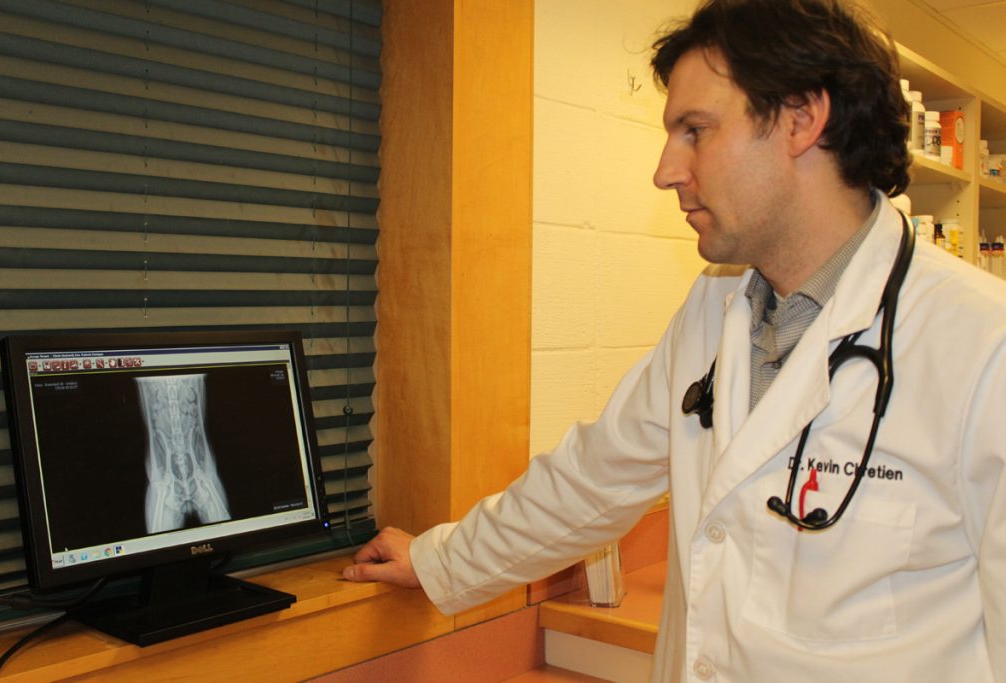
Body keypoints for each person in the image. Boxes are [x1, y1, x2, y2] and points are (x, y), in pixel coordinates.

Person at [344, 0, 1006, 680]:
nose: (666, 170)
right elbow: (591, 479)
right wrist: (438, 559)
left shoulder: (982, 344)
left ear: (804, 118)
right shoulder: (717, 304)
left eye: (695, 130)